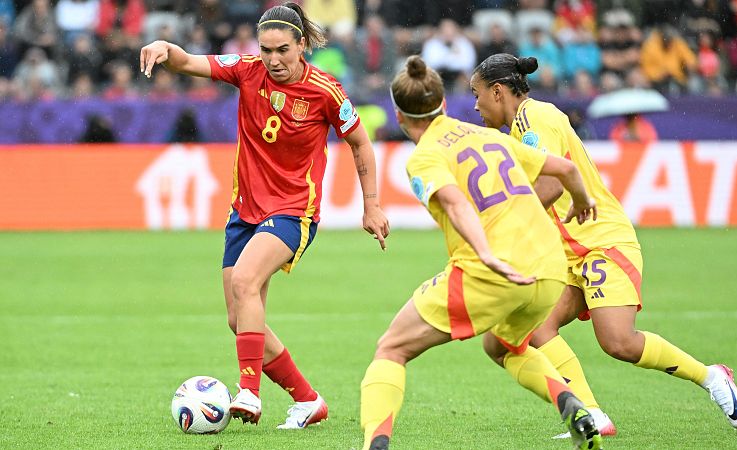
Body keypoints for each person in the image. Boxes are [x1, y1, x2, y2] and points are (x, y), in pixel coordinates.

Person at [469, 53, 737, 440]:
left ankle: (712, 377)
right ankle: (592, 414)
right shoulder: (518, 129)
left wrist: (508, 228)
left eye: (477, 93)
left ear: (498, 91)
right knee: (536, 328)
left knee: (619, 342)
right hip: (568, 253)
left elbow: (551, 184)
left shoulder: (534, 119)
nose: (475, 103)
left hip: (601, 241)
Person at [140, 1, 390, 429]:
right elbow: (190, 63)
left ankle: (249, 393)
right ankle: (308, 401)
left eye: (282, 51)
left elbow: (361, 143)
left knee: (244, 282)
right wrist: (166, 47)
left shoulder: (325, 91)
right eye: (266, 49)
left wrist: (372, 203)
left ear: (302, 45)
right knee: (239, 320)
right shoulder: (246, 69)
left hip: (294, 211)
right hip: (245, 211)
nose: (273, 60)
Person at [359, 55, 603, 450]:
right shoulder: (488, 135)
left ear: (401, 119)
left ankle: (375, 443)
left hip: (494, 271)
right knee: (504, 344)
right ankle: (570, 401)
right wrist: (581, 199)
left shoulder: (424, 157)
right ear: (441, 103)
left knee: (392, 347)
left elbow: (455, 204)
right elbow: (566, 169)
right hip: (550, 269)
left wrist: (487, 255)